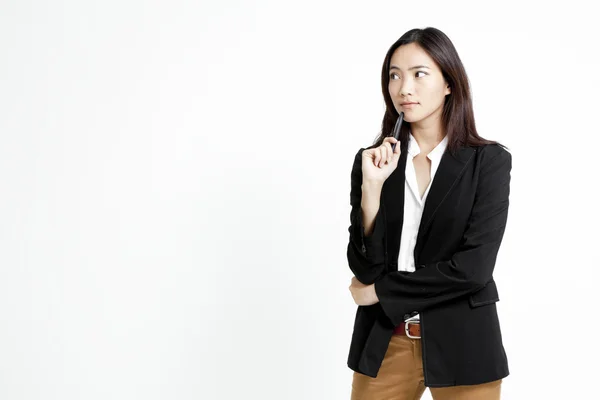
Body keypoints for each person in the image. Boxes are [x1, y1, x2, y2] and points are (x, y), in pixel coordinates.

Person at [346, 27, 511, 400]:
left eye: (420, 74)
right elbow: (363, 268)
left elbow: (472, 270)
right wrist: (372, 189)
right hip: (385, 342)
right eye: (394, 75)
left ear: (449, 83)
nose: (404, 88)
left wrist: (381, 292)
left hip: (465, 344)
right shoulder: (373, 162)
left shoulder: (489, 163)